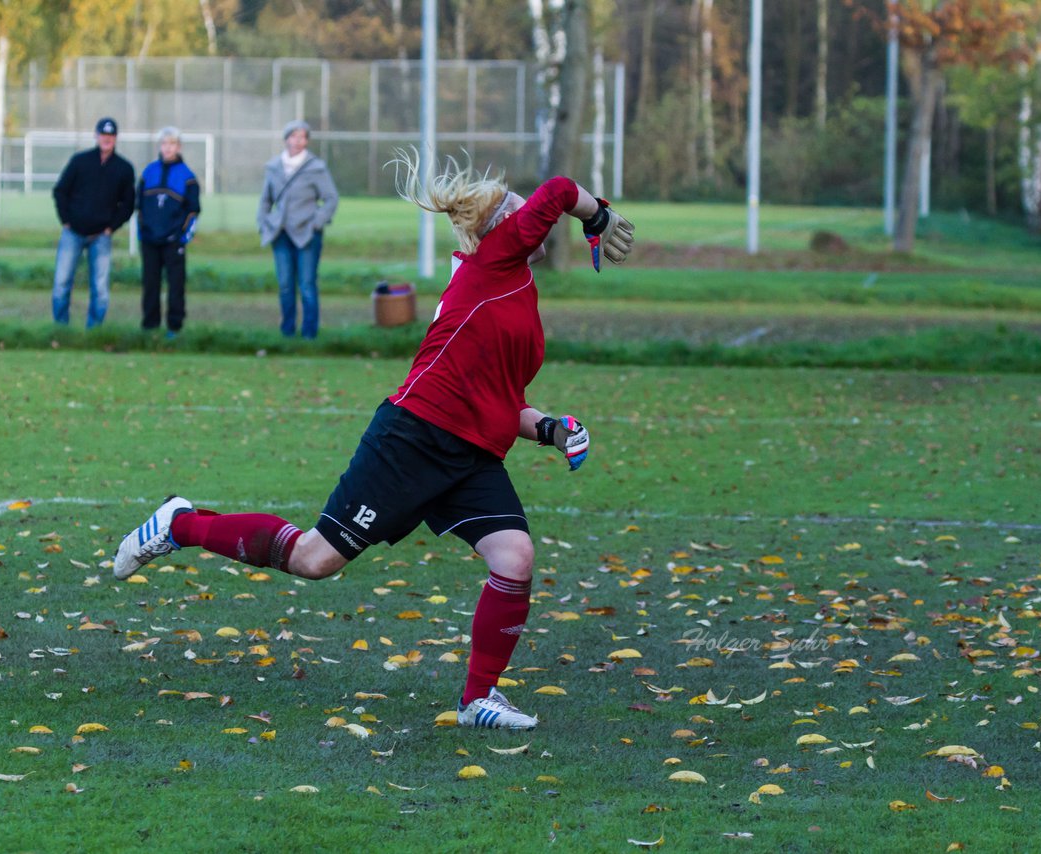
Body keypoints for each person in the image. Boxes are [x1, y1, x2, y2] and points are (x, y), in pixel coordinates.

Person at [115, 152, 634, 730]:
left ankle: (478, 699)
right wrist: (598, 216)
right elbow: (561, 189)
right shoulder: (494, 261)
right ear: (496, 230)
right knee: (314, 560)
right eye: (512, 210)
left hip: (470, 454)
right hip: (413, 441)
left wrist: (551, 430)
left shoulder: (513, 282)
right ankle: (178, 523)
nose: (524, 215)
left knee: (514, 557)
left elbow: (500, 396)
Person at [256, 119, 339, 339]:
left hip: (307, 235)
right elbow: (265, 200)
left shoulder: (316, 167)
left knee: (307, 285)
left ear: (307, 141)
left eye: (302, 136)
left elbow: (331, 198)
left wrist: (316, 223)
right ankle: (287, 333)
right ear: (286, 139)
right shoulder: (273, 167)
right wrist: (264, 222)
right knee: (285, 286)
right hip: (280, 234)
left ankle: (309, 334)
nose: (297, 140)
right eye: (293, 136)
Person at [51, 117, 135, 328]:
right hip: (73, 233)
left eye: (111, 136)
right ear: (96, 136)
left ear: (115, 138)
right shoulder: (80, 161)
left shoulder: (124, 168)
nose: (106, 140)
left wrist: (111, 227)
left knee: (100, 288)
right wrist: (66, 220)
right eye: (103, 135)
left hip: (101, 237)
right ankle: (61, 329)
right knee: (61, 283)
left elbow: (128, 204)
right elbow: (60, 191)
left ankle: (94, 331)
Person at [137, 126, 201, 338]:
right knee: (150, 285)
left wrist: (181, 237)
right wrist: (143, 232)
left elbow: (193, 211)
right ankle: (150, 327)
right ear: (160, 146)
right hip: (149, 240)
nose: (168, 148)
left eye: (172, 144)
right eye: (164, 143)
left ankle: (174, 327)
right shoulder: (149, 172)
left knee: (175, 286)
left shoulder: (188, 177)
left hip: (174, 241)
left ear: (178, 147)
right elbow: (139, 206)